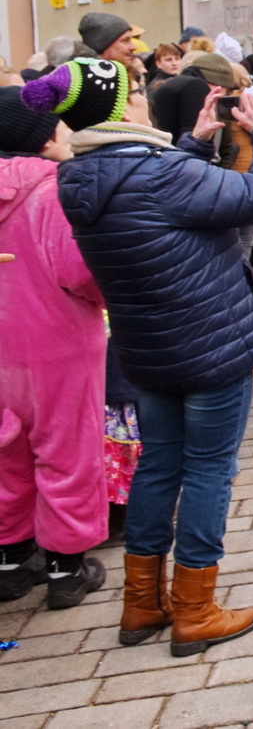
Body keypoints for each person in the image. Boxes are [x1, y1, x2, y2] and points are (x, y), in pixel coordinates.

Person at [25, 58, 253, 654]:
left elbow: (158, 208)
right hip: (209, 344)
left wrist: (190, 145)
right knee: (208, 471)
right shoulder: (156, 174)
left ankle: (141, 603)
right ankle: (195, 609)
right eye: (138, 92)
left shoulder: (82, 176)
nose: (146, 97)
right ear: (122, 109)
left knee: (159, 467)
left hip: (149, 348)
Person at [0, 86, 109, 609]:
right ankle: (67, 567)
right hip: (58, 343)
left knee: (6, 454)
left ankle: (9, 560)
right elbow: (80, 272)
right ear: (43, 138)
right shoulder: (52, 192)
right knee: (65, 449)